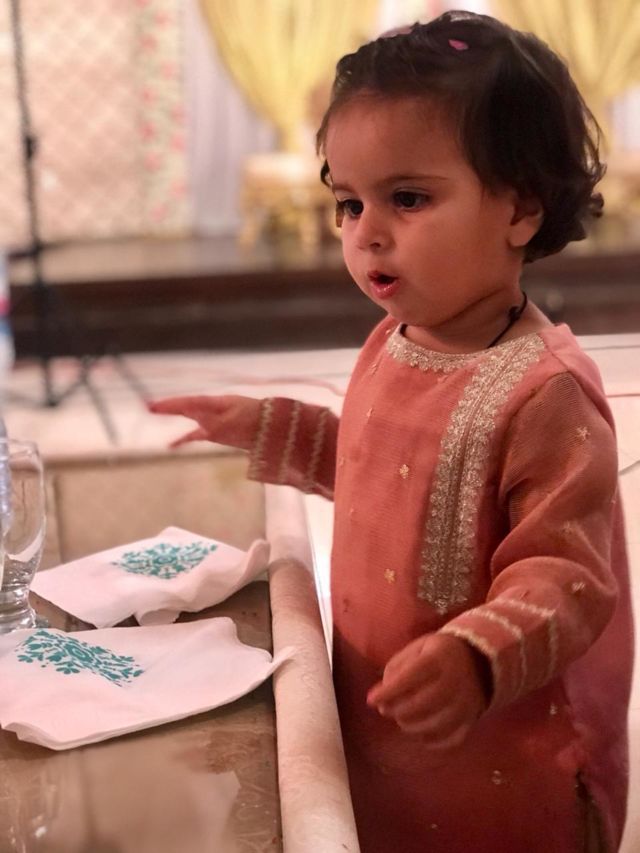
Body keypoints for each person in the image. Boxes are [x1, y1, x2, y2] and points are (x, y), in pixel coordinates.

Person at [149, 11, 633, 853]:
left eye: (407, 198)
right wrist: (274, 427)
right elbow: (384, 473)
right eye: (348, 202)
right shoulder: (395, 338)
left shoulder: (546, 391)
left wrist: (476, 654)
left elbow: (570, 576)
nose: (365, 230)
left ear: (520, 206)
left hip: (500, 755)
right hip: (384, 723)